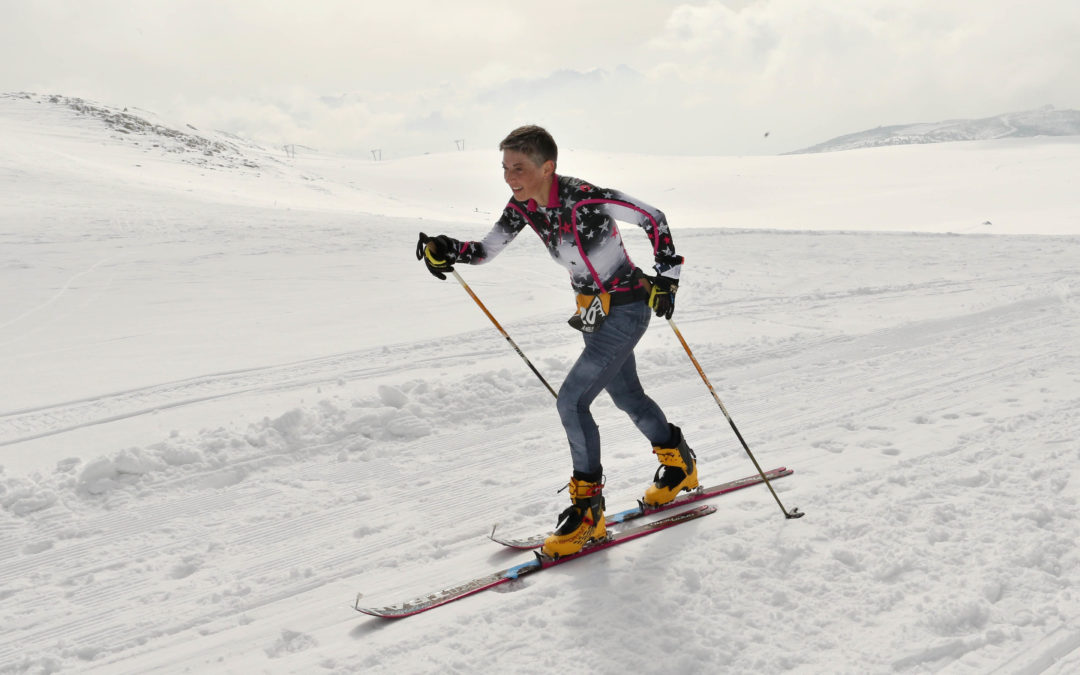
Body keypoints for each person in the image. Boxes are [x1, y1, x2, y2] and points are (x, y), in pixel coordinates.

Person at [416, 125, 697, 557]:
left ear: (547, 167)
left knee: (571, 401)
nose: (511, 177)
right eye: (506, 168)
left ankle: (588, 513)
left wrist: (668, 279)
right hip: (594, 313)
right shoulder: (523, 206)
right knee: (627, 397)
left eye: (520, 168)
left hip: (627, 307)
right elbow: (487, 249)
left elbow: (652, 218)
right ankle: (679, 466)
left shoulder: (584, 197)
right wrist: (447, 248)